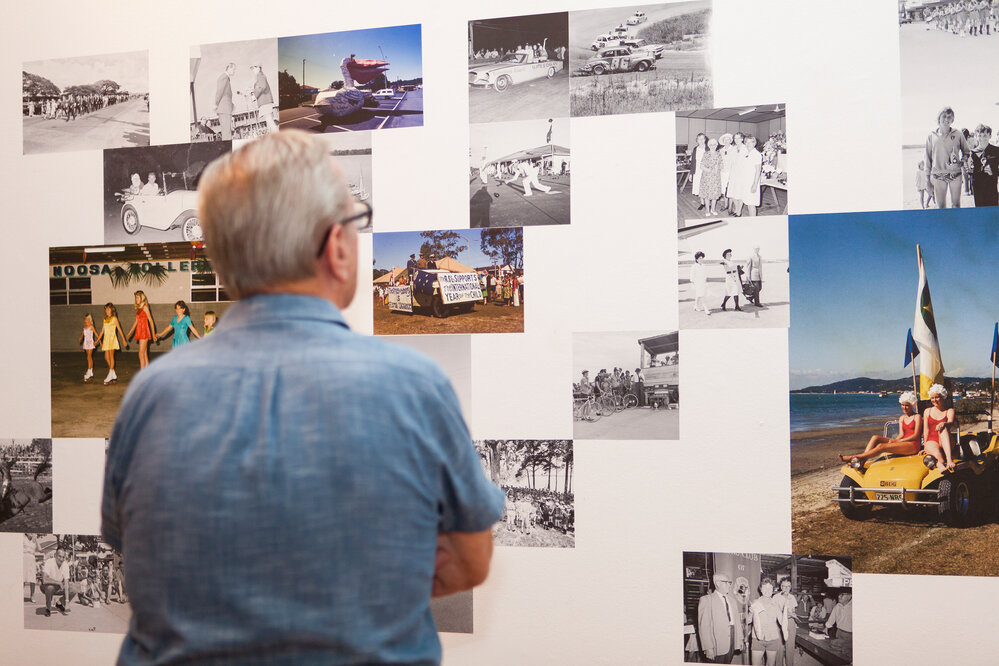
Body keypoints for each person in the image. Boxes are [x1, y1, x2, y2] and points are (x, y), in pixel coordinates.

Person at [102, 130, 504, 664]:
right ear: (337, 247)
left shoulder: (148, 395)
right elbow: (469, 562)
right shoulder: (414, 387)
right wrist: (348, 586)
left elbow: (134, 550)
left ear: (221, 261)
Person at [839, 391, 922, 465]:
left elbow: (916, 435)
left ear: (912, 405)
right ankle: (863, 460)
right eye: (902, 405)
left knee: (881, 446)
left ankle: (855, 457)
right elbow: (901, 434)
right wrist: (894, 441)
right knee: (875, 438)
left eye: (907, 405)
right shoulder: (902, 418)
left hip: (913, 445)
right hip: (903, 443)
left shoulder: (917, 417)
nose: (904, 407)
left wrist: (898, 441)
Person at [925, 106, 971, 208]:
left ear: (953, 119)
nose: (946, 119)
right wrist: (927, 180)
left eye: (949, 117)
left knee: (956, 205)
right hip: (938, 175)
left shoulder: (958, 134)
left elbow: (967, 152)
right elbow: (927, 159)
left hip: (955, 174)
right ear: (939, 118)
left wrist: (963, 161)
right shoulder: (931, 135)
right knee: (941, 207)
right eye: (944, 116)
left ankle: (955, 224)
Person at [697, 573, 743, 663]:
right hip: (716, 642)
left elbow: (737, 622)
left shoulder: (732, 601)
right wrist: (708, 647)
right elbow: (704, 626)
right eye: (727, 582)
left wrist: (740, 639)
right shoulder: (707, 600)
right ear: (717, 583)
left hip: (732, 638)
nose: (730, 585)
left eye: (730, 582)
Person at [748, 578, 783, 665]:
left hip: (773, 639)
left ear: (773, 590)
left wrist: (786, 612)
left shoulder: (776, 604)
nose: (767, 591)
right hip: (757, 639)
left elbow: (782, 621)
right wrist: (751, 611)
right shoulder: (755, 603)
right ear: (761, 589)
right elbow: (748, 621)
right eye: (765, 588)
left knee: (770, 664)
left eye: (770, 588)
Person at [923, 383, 957, 470]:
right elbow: (926, 430)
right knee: (937, 455)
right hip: (932, 440)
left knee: (943, 428)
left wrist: (944, 424)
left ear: (943, 397)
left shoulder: (949, 411)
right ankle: (940, 464)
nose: (935, 400)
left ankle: (949, 460)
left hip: (946, 440)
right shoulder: (927, 411)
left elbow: (950, 423)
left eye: (937, 397)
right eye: (932, 398)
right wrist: (925, 447)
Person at [94, 303, 128, 385]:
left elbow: (119, 329)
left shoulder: (114, 318)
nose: (107, 311)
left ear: (112, 310)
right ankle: (113, 374)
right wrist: (97, 340)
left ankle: (110, 375)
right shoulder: (105, 319)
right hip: (106, 340)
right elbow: (102, 331)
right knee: (106, 357)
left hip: (112, 339)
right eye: (106, 309)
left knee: (111, 356)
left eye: (108, 309)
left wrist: (124, 340)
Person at [970, 124, 999, 207]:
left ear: (990, 136)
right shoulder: (973, 153)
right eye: (979, 135)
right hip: (978, 188)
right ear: (976, 136)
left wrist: (993, 171)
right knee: (980, 214)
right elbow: (971, 172)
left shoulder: (996, 151)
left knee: (992, 214)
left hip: (992, 188)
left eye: (985, 135)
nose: (982, 138)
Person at [126, 291, 156, 370]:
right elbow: (136, 321)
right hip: (140, 331)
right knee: (144, 353)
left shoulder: (145, 307)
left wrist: (153, 334)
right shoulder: (138, 308)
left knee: (141, 353)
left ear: (142, 298)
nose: (136, 299)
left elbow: (151, 320)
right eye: (135, 297)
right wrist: (130, 332)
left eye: (137, 297)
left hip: (144, 331)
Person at [40, 548, 71, 618]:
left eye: (63, 557)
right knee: (50, 588)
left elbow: (66, 583)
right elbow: (44, 580)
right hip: (46, 586)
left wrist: (67, 602)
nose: (61, 559)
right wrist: (58, 582)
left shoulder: (65, 565)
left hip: (58, 586)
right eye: (59, 556)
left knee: (73, 587)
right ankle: (48, 608)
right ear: (55, 555)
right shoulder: (49, 562)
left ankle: (59, 602)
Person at [774, 579, 798, 666]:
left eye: (788, 586)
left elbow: (794, 611)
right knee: (779, 647)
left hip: (790, 622)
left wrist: (793, 614)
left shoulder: (792, 597)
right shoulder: (776, 597)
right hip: (779, 623)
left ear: (790, 587)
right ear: (781, 587)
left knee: (790, 647)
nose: (786, 588)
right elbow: (775, 612)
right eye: (784, 586)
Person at [700, 138, 723, 216]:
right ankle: (707, 210)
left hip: (716, 177)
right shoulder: (706, 154)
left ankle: (713, 209)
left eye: (714, 144)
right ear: (709, 145)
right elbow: (701, 166)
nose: (713, 146)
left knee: (715, 194)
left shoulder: (719, 154)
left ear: (717, 145)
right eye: (711, 144)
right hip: (707, 176)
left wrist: (718, 167)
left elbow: (721, 165)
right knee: (707, 194)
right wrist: (709, 170)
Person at [250, 64, 276, 133]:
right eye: (252, 69)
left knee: (270, 121)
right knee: (269, 121)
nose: (253, 70)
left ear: (258, 68)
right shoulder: (260, 76)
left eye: (254, 68)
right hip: (265, 101)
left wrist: (254, 95)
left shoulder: (260, 76)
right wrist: (253, 90)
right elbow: (261, 87)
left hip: (265, 101)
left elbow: (262, 86)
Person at [215, 62, 235, 141]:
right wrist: (216, 103)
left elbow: (225, 94)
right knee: (227, 134)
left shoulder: (226, 78)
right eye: (233, 69)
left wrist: (232, 105)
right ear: (229, 68)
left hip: (225, 108)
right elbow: (220, 91)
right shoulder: (224, 77)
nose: (234, 71)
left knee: (226, 132)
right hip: (224, 108)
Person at [689, 133, 707, 209]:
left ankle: (708, 203)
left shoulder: (708, 148)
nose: (701, 140)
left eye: (703, 139)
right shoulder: (695, 149)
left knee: (706, 187)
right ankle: (702, 203)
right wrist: (691, 174)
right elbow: (693, 162)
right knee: (699, 187)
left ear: (705, 139)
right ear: (697, 140)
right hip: (697, 171)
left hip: (706, 170)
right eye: (699, 139)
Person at [691, 251, 711, 315]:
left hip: (703, 283)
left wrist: (705, 281)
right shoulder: (694, 266)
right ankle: (706, 309)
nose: (701, 259)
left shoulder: (703, 266)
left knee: (699, 295)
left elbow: (705, 274)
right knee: (702, 296)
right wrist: (693, 283)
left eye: (702, 258)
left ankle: (695, 306)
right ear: (696, 259)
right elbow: (692, 275)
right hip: (697, 283)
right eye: (700, 258)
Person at [79, 313, 97, 382]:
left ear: (90, 320)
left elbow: (96, 334)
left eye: (87, 319)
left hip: (90, 343)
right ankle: (90, 372)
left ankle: (89, 371)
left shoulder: (91, 326)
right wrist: (80, 338)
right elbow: (83, 334)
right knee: (89, 357)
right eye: (85, 319)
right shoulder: (85, 327)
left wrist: (99, 342)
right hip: (86, 343)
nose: (86, 320)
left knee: (89, 357)